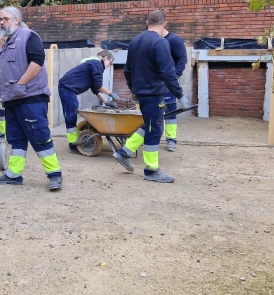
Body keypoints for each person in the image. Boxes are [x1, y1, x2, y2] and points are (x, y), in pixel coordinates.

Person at [0, 6, 63, 191]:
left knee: (40, 136)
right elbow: (6, 74)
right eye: (0, 19)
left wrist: (21, 84)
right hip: (12, 100)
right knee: (17, 138)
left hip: (31, 99)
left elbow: (38, 61)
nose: (1, 22)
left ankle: (55, 175)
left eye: (5, 18)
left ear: (16, 20)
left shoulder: (28, 36)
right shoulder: (7, 44)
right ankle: (14, 174)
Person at [112, 10, 189, 183]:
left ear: (147, 23)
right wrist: (180, 95)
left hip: (141, 92)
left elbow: (127, 70)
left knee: (148, 125)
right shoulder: (160, 43)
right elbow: (169, 73)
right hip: (154, 94)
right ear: (165, 24)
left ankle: (123, 152)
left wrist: (134, 90)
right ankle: (151, 170)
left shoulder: (134, 41)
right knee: (155, 130)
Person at [58, 50, 119, 153]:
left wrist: (105, 102)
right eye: (111, 62)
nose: (109, 65)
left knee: (73, 111)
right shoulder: (96, 64)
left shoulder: (94, 65)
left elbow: (96, 89)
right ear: (106, 58)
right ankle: (72, 144)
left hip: (68, 88)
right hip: (67, 87)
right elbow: (99, 86)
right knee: (71, 112)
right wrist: (110, 94)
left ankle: (74, 140)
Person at [161, 28, 187, 152]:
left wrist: (174, 76)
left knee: (170, 110)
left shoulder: (174, 41)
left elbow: (182, 59)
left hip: (169, 83)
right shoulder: (153, 40)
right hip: (153, 83)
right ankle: (148, 138)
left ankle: (171, 140)